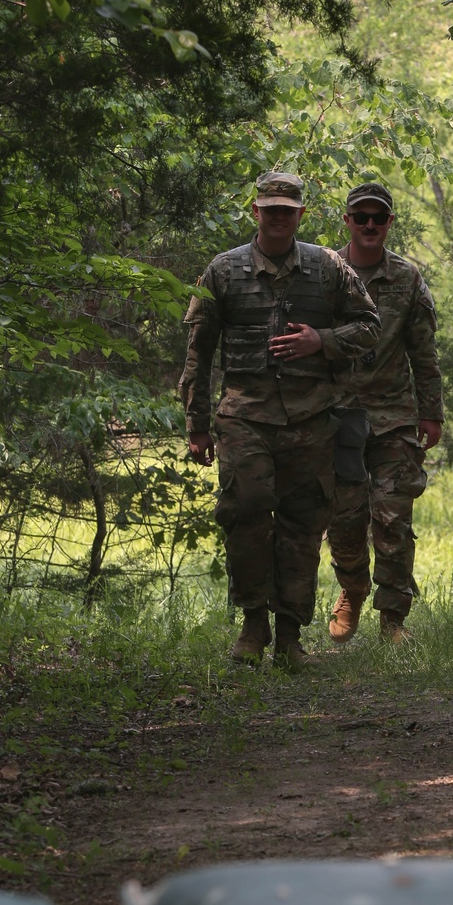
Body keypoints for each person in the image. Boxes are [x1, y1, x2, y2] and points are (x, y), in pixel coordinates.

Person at [179, 170, 381, 668]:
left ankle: (290, 636)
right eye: (270, 209)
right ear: (256, 212)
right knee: (246, 513)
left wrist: (322, 341)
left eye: (287, 211)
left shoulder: (327, 267)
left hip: (311, 419)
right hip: (245, 416)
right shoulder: (223, 272)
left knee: (304, 525)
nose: (278, 218)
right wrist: (197, 424)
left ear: (300, 215)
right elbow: (198, 354)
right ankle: (253, 627)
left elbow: (370, 326)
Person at [327, 182, 444, 644]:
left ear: (390, 222)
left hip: (394, 417)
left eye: (379, 217)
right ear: (348, 221)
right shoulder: (326, 272)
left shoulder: (407, 278)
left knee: (394, 519)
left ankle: (393, 619)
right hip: (337, 418)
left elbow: (424, 353)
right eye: (362, 217)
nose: (370, 225)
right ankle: (351, 590)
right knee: (346, 519)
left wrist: (431, 413)